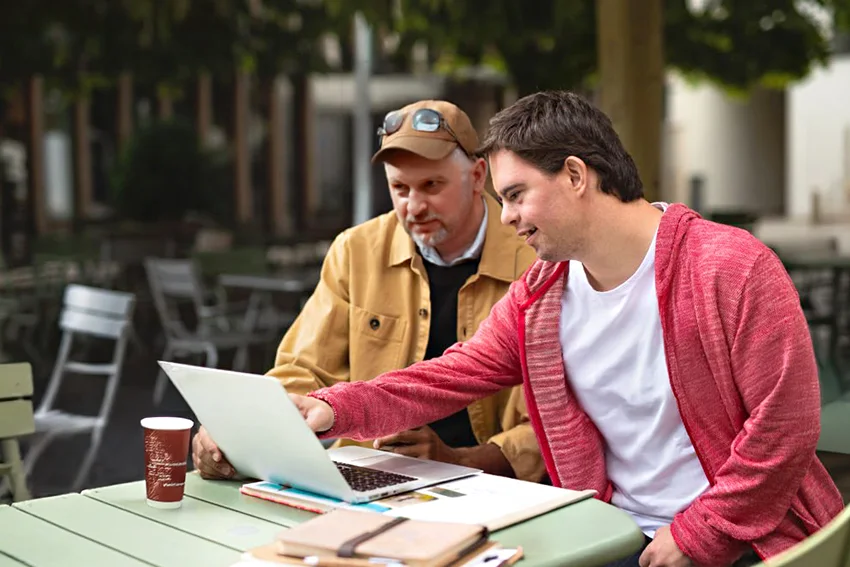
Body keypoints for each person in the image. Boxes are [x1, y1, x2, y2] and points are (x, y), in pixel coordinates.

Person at [288, 91, 844, 567]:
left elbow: (785, 429)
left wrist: (699, 534)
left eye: (515, 195)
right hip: (609, 532)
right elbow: (451, 374)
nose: (505, 216)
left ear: (576, 175)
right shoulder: (542, 295)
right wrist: (333, 408)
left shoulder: (731, 267)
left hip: (747, 541)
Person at [192, 99, 544, 484]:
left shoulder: (537, 257)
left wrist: (459, 460)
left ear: (477, 176)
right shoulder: (356, 250)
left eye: (432, 185)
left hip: (496, 488)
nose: (414, 206)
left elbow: (558, 416)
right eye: (399, 188)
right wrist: (240, 433)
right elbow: (303, 370)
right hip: (365, 474)